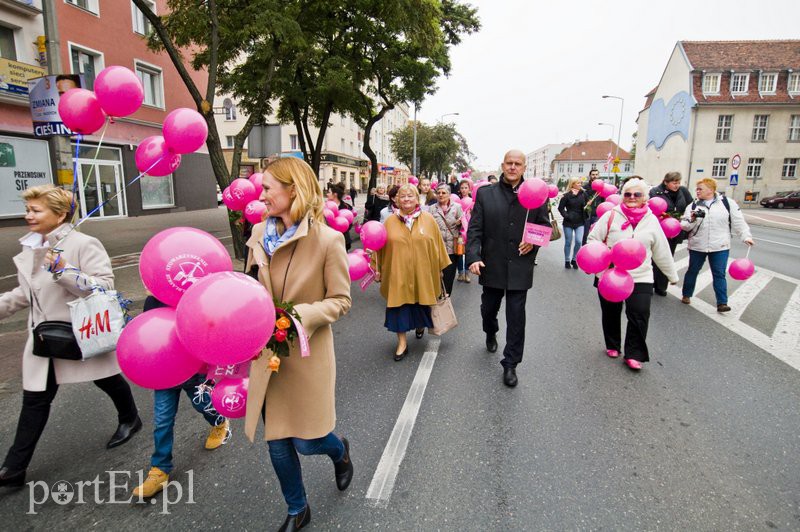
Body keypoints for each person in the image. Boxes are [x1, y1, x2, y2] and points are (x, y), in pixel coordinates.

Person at [0, 185, 141, 488]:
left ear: (61, 213)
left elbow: (104, 287)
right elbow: (26, 294)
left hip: (80, 333)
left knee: (107, 379)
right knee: (35, 399)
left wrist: (64, 271)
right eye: (27, 210)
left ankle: (130, 418)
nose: (28, 216)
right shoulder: (32, 247)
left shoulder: (83, 243)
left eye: (36, 210)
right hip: (43, 340)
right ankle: (13, 468)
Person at [244, 157, 353, 531]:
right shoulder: (258, 233)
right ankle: (298, 509)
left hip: (307, 356)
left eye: (267, 188)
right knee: (277, 441)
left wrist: (298, 316)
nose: (261, 196)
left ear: (293, 190)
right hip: (266, 353)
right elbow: (248, 286)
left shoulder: (328, 240)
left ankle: (339, 452)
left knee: (308, 441)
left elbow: (341, 300)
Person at [131, 295, 231, 499]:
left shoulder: (193, 298)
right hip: (164, 372)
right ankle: (160, 470)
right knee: (162, 420)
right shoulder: (152, 302)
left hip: (193, 370)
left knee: (203, 405)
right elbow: (148, 334)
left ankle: (219, 422)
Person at [466, 150, 549, 387]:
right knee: (488, 309)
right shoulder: (485, 194)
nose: (513, 167)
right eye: (509, 163)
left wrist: (533, 243)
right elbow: (475, 229)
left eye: (518, 164)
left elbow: (544, 229)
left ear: (524, 168)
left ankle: (510, 363)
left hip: (520, 266)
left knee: (516, 317)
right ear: (502, 165)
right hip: (491, 264)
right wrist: (473, 256)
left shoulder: (537, 194)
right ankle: (490, 330)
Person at [587, 178, 678, 370]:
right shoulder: (611, 215)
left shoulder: (651, 220)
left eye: (637, 194)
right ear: (622, 196)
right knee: (611, 312)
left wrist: (672, 275)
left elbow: (661, 249)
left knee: (640, 314)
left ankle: (634, 353)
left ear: (645, 197)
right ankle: (612, 344)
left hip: (641, 275)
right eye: (627, 194)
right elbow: (593, 239)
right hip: (611, 274)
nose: (632, 197)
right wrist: (598, 257)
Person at [374, 184, 450, 361]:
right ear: (397, 200)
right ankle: (402, 343)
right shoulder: (389, 222)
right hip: (397, 273)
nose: (406, 199)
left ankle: (420, 325)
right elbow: (379, 248)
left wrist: (439, 269)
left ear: (417, 199)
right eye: (403, 196)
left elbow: (438, 245)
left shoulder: (428, 220)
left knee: (421, 303)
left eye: (410, 196)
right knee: (398, 307)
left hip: (422, 273)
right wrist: (377, 269)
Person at [679, 178, 754, 312]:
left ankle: (722, 303)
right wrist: (693, 219)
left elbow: (738, 222)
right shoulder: (693, 206)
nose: (697, 191)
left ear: (711, 190)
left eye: (700, 189)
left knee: (719, 273)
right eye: (697, 189)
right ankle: (686, 294)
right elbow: (684, 226)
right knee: (693, 270)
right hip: (698, 245)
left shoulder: (727, 203)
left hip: (720, 246)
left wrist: (746, 236)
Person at [648, 171, 693, 296]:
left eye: (678, 182)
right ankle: (650, 284)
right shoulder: (655, 192)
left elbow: (690, 206)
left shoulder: (683, 191)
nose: (677, 185)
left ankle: (661, 286)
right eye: (674, 183)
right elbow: (651, 209)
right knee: (654, 257)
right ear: (666, 182)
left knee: (668, 257)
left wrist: (686, 216)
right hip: (659, 229)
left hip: (674, 230)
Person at [428, 183, 464, 296]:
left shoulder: (457, 207)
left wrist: (460, 223)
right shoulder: (432, 208)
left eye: (443, 193)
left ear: (449, 194)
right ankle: (437, 298)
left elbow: (464, 227)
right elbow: (427, 226)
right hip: (436, 248)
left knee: (449, 277)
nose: (440, 195)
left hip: (452, 249)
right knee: (435, 277)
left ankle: (446, 298)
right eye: (438, 192)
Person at [558, 177, 588, 269]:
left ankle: (574, 259)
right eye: (578, 183)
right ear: (573, 184)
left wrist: (587, 208)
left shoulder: (583, 194)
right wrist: (567, 216)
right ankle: (567, 260)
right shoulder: (566, 195)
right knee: (568, 242)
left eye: (580, 183)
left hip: (580, 221)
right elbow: (560, 208)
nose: (580, 184)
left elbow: (587, 206)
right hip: (568, 222)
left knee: (579, 241)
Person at [326, 182, 353, 250]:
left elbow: (349, 224)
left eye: (329, 192)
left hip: (343, 241)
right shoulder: (325, 207)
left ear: (335, 194)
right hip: (328, 241)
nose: (327, 194)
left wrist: (340, 228)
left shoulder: (346, 207)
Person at [456, 180, 473, 282]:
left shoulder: (473, 201)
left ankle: (467, 273)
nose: (463, 190)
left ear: (469, 189)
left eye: (466, 188)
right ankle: (460, 272)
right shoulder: (456, 202)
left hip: (469, 230)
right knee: (459, 252)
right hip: (459, 231)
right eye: (462, 188)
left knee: (467, 252)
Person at [582, 168, 602, 245]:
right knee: (585, 234)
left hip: (597, 214)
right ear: (590, 175)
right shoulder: (585, 187)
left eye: (596, 174)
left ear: (598, 175)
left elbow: (603, 200)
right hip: (587, 214)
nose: (595, 176)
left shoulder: (602, 187)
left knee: (595, 235)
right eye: (593, 175)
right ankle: (584, 248)